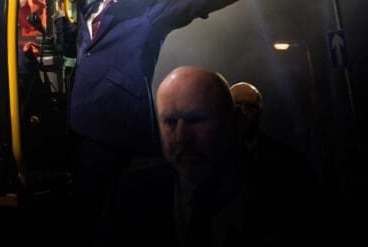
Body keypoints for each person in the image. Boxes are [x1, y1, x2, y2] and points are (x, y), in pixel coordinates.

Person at [56, 0, 294, 244]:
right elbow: (73, 48)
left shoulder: (150, 11)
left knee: (114, 226)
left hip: (118, 139)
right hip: (79, 135)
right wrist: (62, 13)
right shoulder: (90, 10)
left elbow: (197, 0)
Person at [103, 66, 328, 246]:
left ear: (232, 119)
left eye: (196, 120)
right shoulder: (130, 196)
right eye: (170, 122)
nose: (182, 138)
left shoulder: (289, 187)